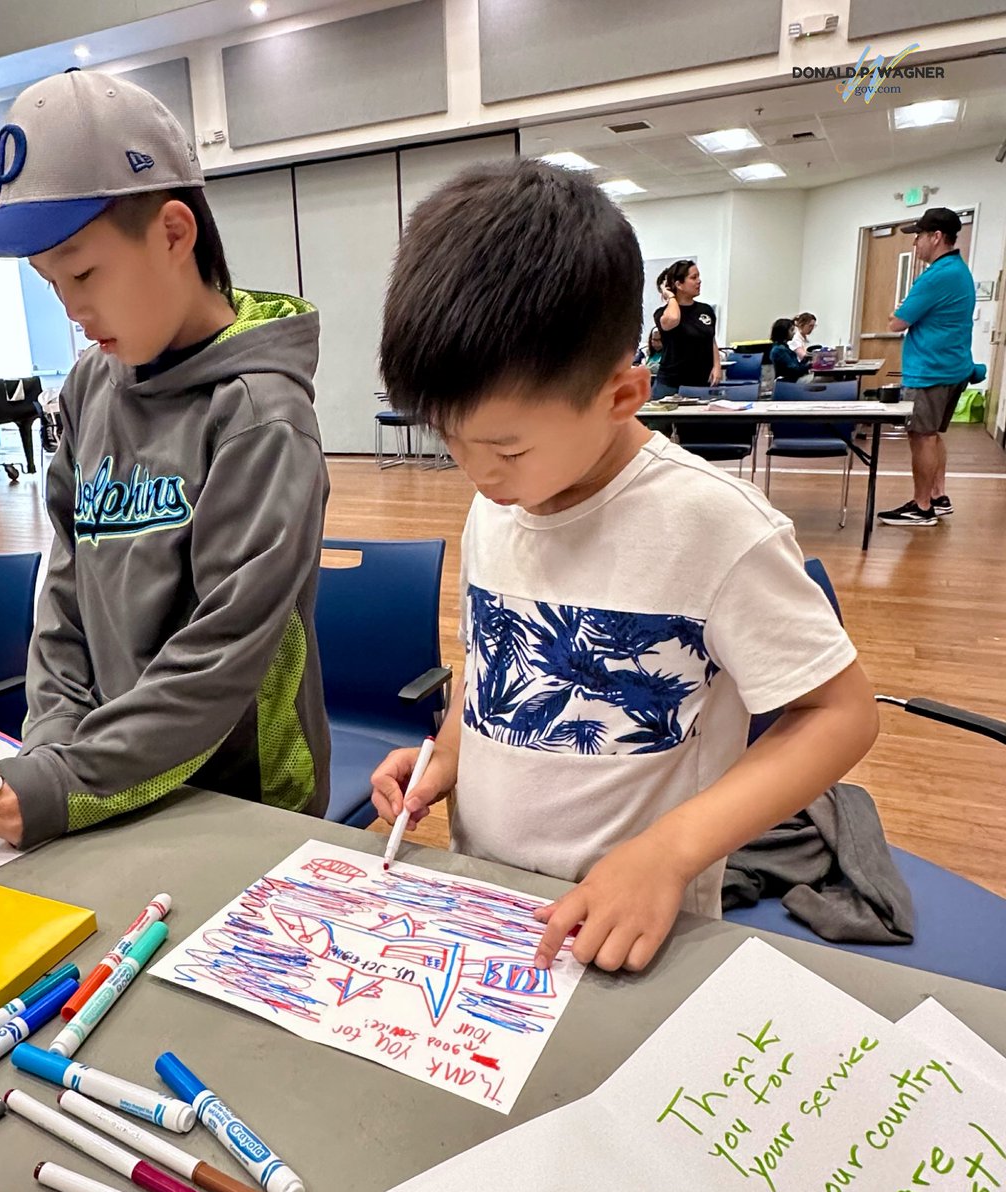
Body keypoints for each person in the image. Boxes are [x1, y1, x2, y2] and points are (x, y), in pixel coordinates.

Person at [371, 160, 878, 974]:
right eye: (450, 441)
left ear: (622, 393)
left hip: (631, 934)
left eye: (504, 447)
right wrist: (455, 753)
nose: (477, 475)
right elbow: (489, 660)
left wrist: (671, 853)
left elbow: (842, 715)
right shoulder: (498, 501)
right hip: (491, 910)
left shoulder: (714, 525)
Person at [0, 70, 331, 847]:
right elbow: (67, 591)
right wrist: (53, 742)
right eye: (50, 283)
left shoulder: (259, 416)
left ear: (175, 233)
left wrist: (69, 781)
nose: (74, 311)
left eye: (84, 272)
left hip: (239, 803)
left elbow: (222, 659)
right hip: (107, 775)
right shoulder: (90, 387)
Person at [877, 207, 975, 527]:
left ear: (936, 237)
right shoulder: (959, 271)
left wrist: (899, 314)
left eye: (918, 236)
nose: (915, 243)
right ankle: (937, 496)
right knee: (932, 435)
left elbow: (896, 322)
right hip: (951, 368)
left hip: (932, 371)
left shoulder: (936, 276)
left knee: (921, 436)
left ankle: (921, 507)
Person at [651, 260, 721, 398]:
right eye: (693, 278)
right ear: (678, 284)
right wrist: (670, 296)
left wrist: (717, 365)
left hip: (701, 382)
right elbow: (673, 320)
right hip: (671, 383)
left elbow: (710, 340)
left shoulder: (706, 310)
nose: (699, 281)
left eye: (698, 276)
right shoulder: (662, 313)